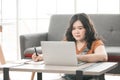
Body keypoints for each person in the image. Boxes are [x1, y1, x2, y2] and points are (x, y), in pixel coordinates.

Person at [32, 13, 108, 80]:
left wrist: (77, 57)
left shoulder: (96, 42)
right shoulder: (68, 42)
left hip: (91, 77)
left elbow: (103, 56)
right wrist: (41, 56)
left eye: (80, 28)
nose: (76, 32)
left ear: (87, 29)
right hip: (69, 78)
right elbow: (56, 54)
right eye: (74, 29)